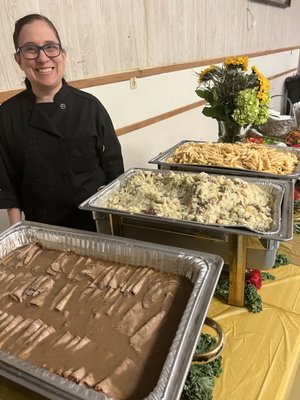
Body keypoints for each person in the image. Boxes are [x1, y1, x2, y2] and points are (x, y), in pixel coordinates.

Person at [0, 14, 124, 232]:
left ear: (63, 55)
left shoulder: (90, 107)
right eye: (30, 49)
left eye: (50, 47)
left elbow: (115, 172)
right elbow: (8, 184)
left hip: (95, 226)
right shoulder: (6, 115)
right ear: (18, 59)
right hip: (41, 232)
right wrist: (17, 233)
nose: (42, 58)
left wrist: (115, 228)